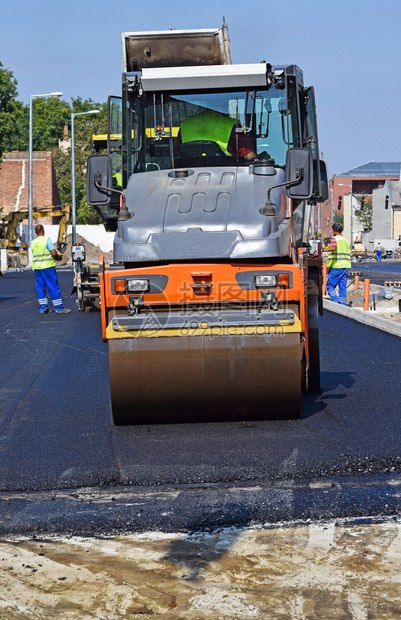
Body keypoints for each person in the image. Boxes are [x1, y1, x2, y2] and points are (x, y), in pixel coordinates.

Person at [176, 109, 258, 160]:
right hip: (226, 176)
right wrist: (262, 158)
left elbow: (178, 153)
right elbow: (249, 157)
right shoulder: (231, 125)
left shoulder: (186, 125)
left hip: (188, 176)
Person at [31, 224, 71, 314]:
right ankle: (59, 308)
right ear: (43, 231)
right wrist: (57, 257)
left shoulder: (33, 242)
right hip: (47, 267)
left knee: (40, 287)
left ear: (35, 232)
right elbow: (53, 252)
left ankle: (43, 308)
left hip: (37, 268)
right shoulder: (46, 240)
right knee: (52, 286)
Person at [326, 223, 351, 306]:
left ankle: (336, 301)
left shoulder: (334, 239)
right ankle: (343, 305)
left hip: (337, 266)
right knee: (342, 287)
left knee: (330, 286)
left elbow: (333, 248)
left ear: (334, 231)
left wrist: (323, 250)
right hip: (346, 266)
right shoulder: (346, 241)